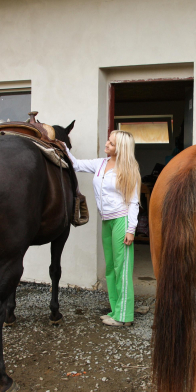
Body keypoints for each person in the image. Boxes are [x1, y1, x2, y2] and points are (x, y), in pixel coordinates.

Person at [66, 130, 140, 326]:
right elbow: (76, 164)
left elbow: (133, 202)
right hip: (106, 221)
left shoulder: (129, 169)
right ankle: (116, 310)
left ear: (121, 149)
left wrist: (131, 229)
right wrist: (61, 144)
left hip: (122, 221)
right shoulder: (101, 163)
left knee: (121, 268)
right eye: (108, 140)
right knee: (110, 268)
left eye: (112, 143)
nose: (107, 144)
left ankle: (124, 317)